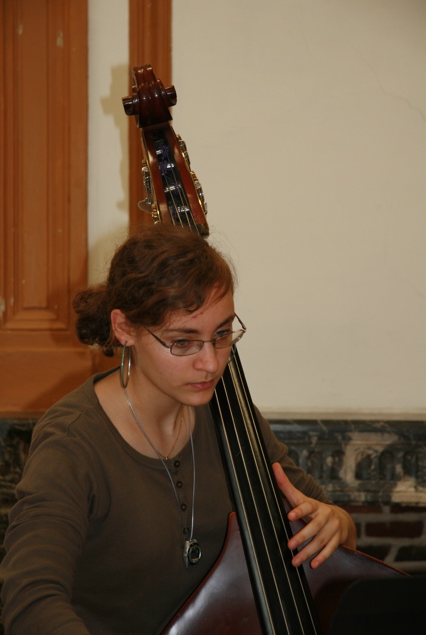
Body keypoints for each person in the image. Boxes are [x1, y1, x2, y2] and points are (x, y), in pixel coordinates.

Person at [1, 224, 356, 634]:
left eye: (222, 334)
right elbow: (30, 602)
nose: (211, 363)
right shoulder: (72, 442)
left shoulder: (230, 413)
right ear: (124, 328)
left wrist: (336, 525)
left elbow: (331, 525)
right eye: (183, 342)